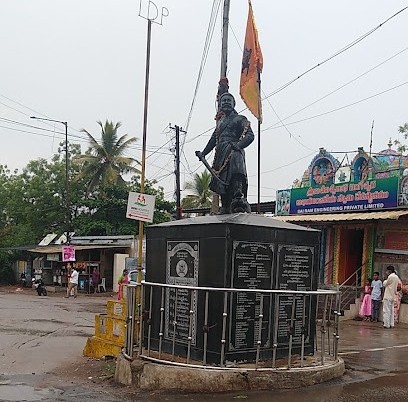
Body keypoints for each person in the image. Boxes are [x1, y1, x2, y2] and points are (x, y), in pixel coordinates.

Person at [195, 92, 254, 214]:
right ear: (220, 105)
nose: (226, 102)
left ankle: (239, 198)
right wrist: (204, 153)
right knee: (221, 181)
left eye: (229, 100)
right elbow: (213, 140)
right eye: (224, 101)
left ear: (234, 104)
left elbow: (250, 135)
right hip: (220, 153)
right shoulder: (220, 123)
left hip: (233, 151)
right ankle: (225, 206)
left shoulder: (240, 119)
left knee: (236, 174)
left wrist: (238, 146)